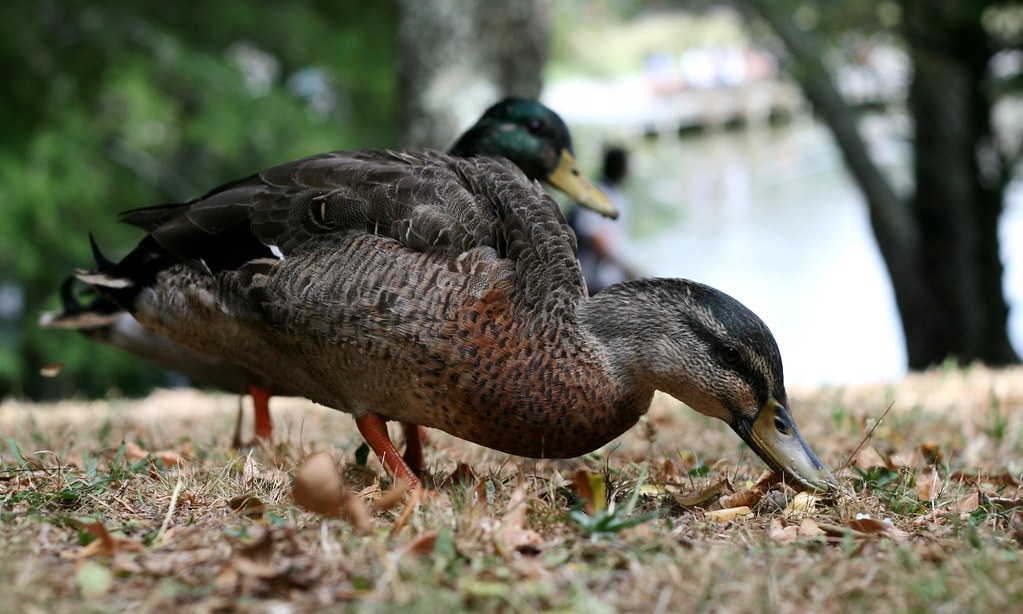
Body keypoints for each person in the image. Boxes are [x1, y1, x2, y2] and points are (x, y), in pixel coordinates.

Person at [570, 146, 636, 295]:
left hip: (610, 279)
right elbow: (592, 236)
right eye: (627, 165)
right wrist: (625, 268)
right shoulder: (594, 194)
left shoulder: (617, 194)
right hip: (591, 281)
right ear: (617, 166)